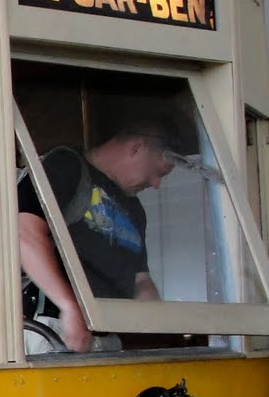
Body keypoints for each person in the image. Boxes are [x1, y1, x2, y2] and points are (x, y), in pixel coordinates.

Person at [18, 115, 176, 353]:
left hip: (107, 337)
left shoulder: (135, 211)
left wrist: (153, 309)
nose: (156, 185)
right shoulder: (66, 166)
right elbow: (24, 234)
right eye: (158, 173)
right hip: (54, 330)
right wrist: (69, 307)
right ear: (136, 147)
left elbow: (140, 279)